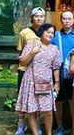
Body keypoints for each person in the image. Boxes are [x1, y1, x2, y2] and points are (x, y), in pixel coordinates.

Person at [16, 24, 61, 135]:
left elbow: (56, 67)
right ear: (42, 32)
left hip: (46, 82)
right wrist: (32, 52)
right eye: (48, 32)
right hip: (31, 80)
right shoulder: (32, 45)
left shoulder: (54, 49)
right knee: (32, 110)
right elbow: (22, 62)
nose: (50, 34)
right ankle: (36, 133)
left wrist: (57, 82)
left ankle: (49, 133)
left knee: (48, 111)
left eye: (52, 33)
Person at [15, 7, 46, 135]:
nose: (39, 18)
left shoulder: (46, 32)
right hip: (25, 70)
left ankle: (36, 124)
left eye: (41, 16)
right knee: (22, 98)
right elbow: (20, 52)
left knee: (37, 97)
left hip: (39, 71)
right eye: (36, 16)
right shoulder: (25, 32)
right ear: (32, 18)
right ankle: (21, 124)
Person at [50, 10, 74, 135]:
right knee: (59, 100)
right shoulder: (55, 36)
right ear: (61, 20)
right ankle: (59, 125)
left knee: (73, 100)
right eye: (64, 18)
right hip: (58, 71)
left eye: (69, 19)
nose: (67, 21)